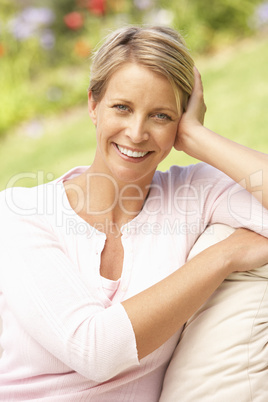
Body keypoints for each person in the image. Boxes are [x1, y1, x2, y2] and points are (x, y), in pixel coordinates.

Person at [0, 25, 267, 401]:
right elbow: (94, 351)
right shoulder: (20, 215)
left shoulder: (194, 192)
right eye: (122, 108)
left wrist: (199, 139)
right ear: (93, 104)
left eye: (160, 116)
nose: (137, 132)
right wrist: (223, 256)